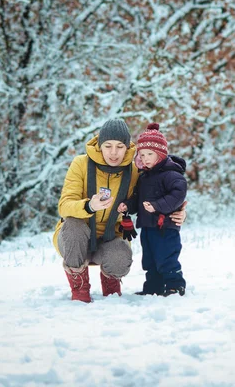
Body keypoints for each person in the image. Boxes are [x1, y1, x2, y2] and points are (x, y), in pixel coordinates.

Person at [53, 119, 186, 303]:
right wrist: (89, 206)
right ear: (100, 145)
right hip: (76, 239)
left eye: (119, 146)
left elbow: (161, 186)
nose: (113, 153)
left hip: (110, 237)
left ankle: (111, 286)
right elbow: (64, 205)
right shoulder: (80, 164)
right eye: (108, 146)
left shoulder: (133, 170)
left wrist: (178, 211)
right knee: (74, 225)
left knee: (121, 255)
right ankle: (79, 289)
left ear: (127, 148)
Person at [118, 123, 187, 296]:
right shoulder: (144, 176)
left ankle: (175, 284)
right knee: (149, 258)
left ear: (161, 154)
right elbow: (139, 199)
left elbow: (178, 194)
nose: (146, 158)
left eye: (150, 154)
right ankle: (153, 286)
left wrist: (157, 206)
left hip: (165, 226)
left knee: (166, 256)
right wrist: (129, 205)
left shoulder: (172, 174)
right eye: (142, 155)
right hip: (148, 226)